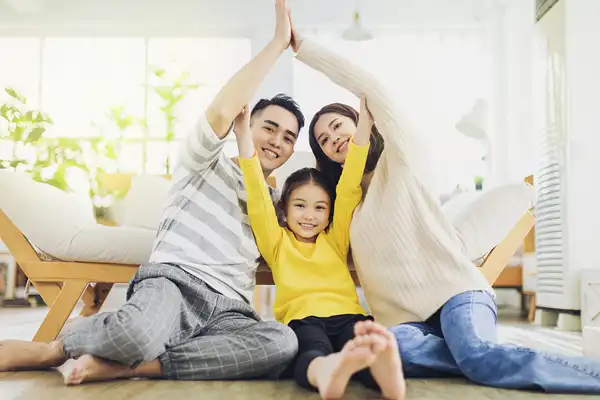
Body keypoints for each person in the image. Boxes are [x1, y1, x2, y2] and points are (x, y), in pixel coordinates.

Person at [0, 0, 302, 385]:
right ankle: (54, 349)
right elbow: (223, 111)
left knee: (281, 342)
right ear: (247, 122)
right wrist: (278, 43)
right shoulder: (202, 163)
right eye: (269, 127)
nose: (277, 141)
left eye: (288, 137)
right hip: (174, 283)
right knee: (133, 334)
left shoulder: (278, 205)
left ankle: (137, 366)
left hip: (231, 309)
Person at [289, 23, 600, 393]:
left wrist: (303, 47)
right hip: (404, 323)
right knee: (388, 354)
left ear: (362, 122)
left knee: (477, 354)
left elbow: (371, 87)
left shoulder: (401, 156)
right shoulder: (347, 206)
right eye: (323, 139)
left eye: (338, 125)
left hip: (457, 293)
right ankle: (477, 357)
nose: (333, 138)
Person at [232, 97, 405, 400]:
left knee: (366, 345)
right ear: (284, 212)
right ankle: (327, 370)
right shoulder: (277, 241)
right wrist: (243, 137)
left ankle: (385, 377)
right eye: (300, 206)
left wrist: (363, 123)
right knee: (310, 352)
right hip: (304, 320)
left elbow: (349, 185)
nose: (310, 216)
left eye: (320, 208)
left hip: (350, 316)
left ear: (330, 214)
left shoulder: (335, 239)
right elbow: (258, 196)